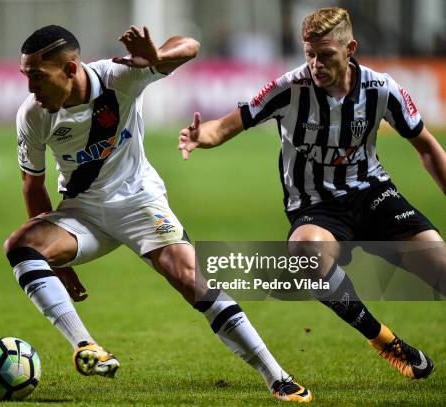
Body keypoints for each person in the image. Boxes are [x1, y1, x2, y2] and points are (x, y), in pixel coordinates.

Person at [4, 24, 312, 402]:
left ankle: (276, 375)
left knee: (190, 278)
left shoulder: (117, 78)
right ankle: (86, 346)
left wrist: (156, 58)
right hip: (81, 213)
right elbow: (33, 187)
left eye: (37, 76)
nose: (30, 88)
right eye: (26, 77)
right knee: (20, 246)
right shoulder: (33, 115)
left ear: (69, 69)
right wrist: (61, 265)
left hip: (139, 203)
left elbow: (191, 46)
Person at [178, 7, 445, 381]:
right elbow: (225, 127)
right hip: (316, 207)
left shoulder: (382, 89)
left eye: (326, 55)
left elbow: (428, 147)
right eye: (309, 54)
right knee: (306, 250)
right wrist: (198, 136)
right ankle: (384, 340)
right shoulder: (289, 89)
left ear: (350, 48)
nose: (315, 64)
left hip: (374, 195)